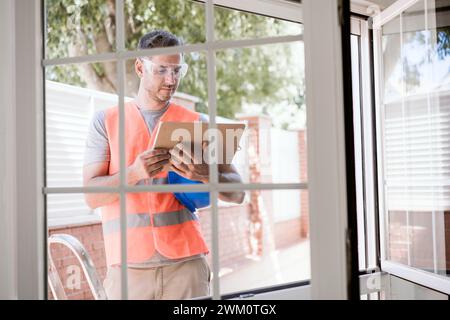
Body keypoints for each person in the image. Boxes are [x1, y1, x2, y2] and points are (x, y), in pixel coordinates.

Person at [83, 29, 245, 300]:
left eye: (176, 70)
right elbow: (90, 195)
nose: (171, 80)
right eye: (161, 70)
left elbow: (239, 191)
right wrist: (134, 173)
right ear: (139, 67)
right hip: (128, 271)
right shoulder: (105, 122)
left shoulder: (199, 122)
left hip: (186, 266)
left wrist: (207, 175)